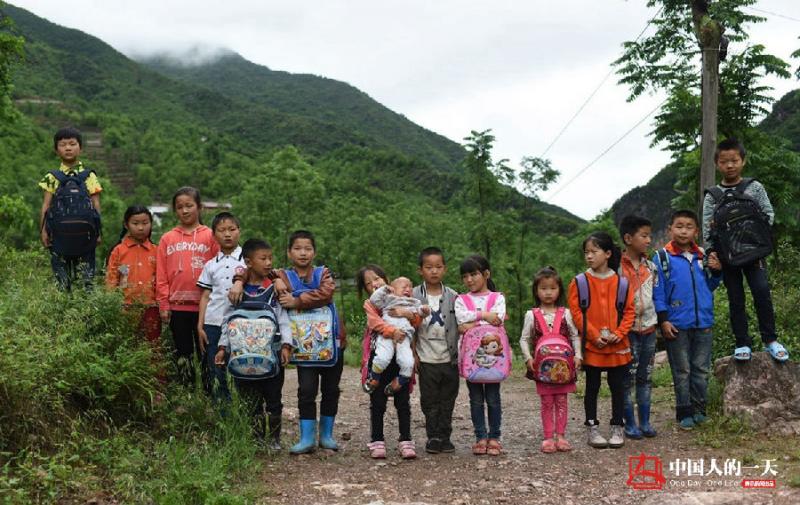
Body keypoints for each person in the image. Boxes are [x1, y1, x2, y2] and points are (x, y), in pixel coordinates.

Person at [702, 138, 789, 363]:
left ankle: (770, 340)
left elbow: (768, 214)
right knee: (735, 298)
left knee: (762, 292)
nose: (730, 165)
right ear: (717, 164)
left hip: (754, 253)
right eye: (724, 161)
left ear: (743, 161)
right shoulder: (712, 195)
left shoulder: (755, 187)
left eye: (734, 160)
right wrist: (711, 253)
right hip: (727, 257)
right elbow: (707, 229)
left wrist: (750, 234)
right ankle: (742, 343)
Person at [214, 239, 293, 450]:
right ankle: (256, 439)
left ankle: (274, 440)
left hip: (272, 355)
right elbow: (227, 322)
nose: (268, 263)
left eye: (270, 258)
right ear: (248, 262)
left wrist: (286, 345)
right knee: (251, 401)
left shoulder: (274, 290)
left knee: (274, 399)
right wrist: (222, 348)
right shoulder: (236, 292)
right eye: (263, 258)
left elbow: (283, 319)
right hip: (241, 357)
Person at [654, 210, 722, 429]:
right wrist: (663, 320)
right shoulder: (662, 258)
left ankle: (700, 410)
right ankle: (684, 412)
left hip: (703, 322)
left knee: (701, 369)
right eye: (679, 226)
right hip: (676, 324)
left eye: (689, 227)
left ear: (696, 231)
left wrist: (717, 272)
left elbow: (711, 285)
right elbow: (658, 292)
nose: (684, 231)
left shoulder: (703, 255)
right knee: (682, 371)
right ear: (670, 230)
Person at [568, 232, 634, 449]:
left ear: (607, 254)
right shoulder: (579, 282)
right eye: (586, 252)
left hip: (617, 345)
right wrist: (594, 336)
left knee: (618, 387)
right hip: (592, 344)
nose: (589, 256)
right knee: (592, 387)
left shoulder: (622, 283)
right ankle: (592, 427)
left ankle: (617, 426)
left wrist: (619, 333)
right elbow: (576, 313)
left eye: (594, 252)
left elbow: (629, 311)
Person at [156, 187, 219, 388]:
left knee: (206, 352)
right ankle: (188, 393)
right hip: (178, 307)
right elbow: (161, 274)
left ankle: (209, 394)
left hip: (206, 307)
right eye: (180, 207)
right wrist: (164, 303)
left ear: (199, 207)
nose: (184, 210)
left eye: (189, 206)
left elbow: (220, 269)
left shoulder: (211, 236)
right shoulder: (167, 239)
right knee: (183, 354)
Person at [357, 265, 419, 460]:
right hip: (379, 358)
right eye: (368, 283)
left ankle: (405, 440)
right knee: (377, 402)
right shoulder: (371, 304)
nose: (374, 284)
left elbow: (417, 320)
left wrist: (406, 314)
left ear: (386, 280)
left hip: (400, 359)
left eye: (377, 278)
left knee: (403, 402)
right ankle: (377, 440)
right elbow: (374, 322)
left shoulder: (403, 299)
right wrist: (393, 331)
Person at [520, 267, 581, 453]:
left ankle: (560, 436)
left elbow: (575, 336)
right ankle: (548, 437)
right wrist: (528, 358)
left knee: (562, 401)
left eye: (553, 288)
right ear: (536, 290)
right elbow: (524, 339)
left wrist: (578, 355)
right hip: (542, 369)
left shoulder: (566, 313)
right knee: (546, 402)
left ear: (559, 290)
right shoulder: (532, 315)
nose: (548, 292)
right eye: (543, 288)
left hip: (564, 368)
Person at [455, 255, 506, 456]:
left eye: (474, 274)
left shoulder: (498, 298)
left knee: (493, 398)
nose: (469, 280)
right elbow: (460, 319)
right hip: (471, 359)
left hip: (494, 360)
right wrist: (484, 316)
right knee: (475, 399)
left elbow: (498, 319)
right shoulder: (461, 299)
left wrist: (471, 324)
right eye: (465, 276)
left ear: (486, 274)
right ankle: (480, 437)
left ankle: (494, 436)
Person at [39, 127, 102, 291]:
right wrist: (43, 231)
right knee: (62, 282)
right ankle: (64, 306)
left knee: (86, 282)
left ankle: (85, 306)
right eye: (63, 145)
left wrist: (98, 231)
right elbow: (46, 205)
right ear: (56, 150)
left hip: (86, 235)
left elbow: (96, 205)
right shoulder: (51, 177)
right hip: (58, 235)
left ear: (80, 148)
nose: (68, 148)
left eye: (72, 144)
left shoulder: (90, 176)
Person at [412, 247, 460, 455]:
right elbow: (408, 328)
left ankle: (445, 436)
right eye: (429, 267)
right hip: (426, 358)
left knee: (448, 399)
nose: (434, 271)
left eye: (438, 267)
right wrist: (413, 354)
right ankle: (433, 436)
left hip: (450, 358)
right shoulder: (414, 295)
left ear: (445, 269)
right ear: (420, 270)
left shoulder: (454, 296)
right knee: (429, 400)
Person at [618, 215, 658, 439]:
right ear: (628, 238)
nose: (649, 240)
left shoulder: (651, 267)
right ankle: (629, 423)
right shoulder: (616, 269)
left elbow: (658, 296)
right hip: (627, 332)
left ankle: (645, 422)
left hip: (649, 329)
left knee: (646, 376)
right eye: (644, 236)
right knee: (627, 379)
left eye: (649, 236)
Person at [197, 212, 243, 405]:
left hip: (240, 323)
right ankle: (222, 412)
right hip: (213, 323)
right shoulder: (210, 265)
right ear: (214, 235)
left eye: (232, 229)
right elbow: (205, 296)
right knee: (216, 369)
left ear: (239, 231)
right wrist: (200, 325)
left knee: (241, 367)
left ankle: (244, 408)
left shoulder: (247, 261)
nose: (227, 234)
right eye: (222, 230)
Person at [364, 276, 428, 395]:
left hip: (404, 336)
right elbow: (374, 301)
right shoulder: (388, 299)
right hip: (386, 336)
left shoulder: (413, 302)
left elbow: (419, 314)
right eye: (404, 287)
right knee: (383, 357)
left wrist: (424, 311)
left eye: (410, 287)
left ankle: (399, 381)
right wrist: (384, 289)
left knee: (408, 362)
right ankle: (374, 378)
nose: (408, 289)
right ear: (393, 289)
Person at [105, 206, 159, 344]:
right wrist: (113, 304)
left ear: (151, 223)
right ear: (126, 224)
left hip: (151, 306)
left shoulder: (156, 250)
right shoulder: (118, 251)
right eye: (135, 223)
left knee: (152, 346)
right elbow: (111, 279)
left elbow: (162, 279)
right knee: (127, 344)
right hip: (125, 307)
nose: (141, 228)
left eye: (145, 223)